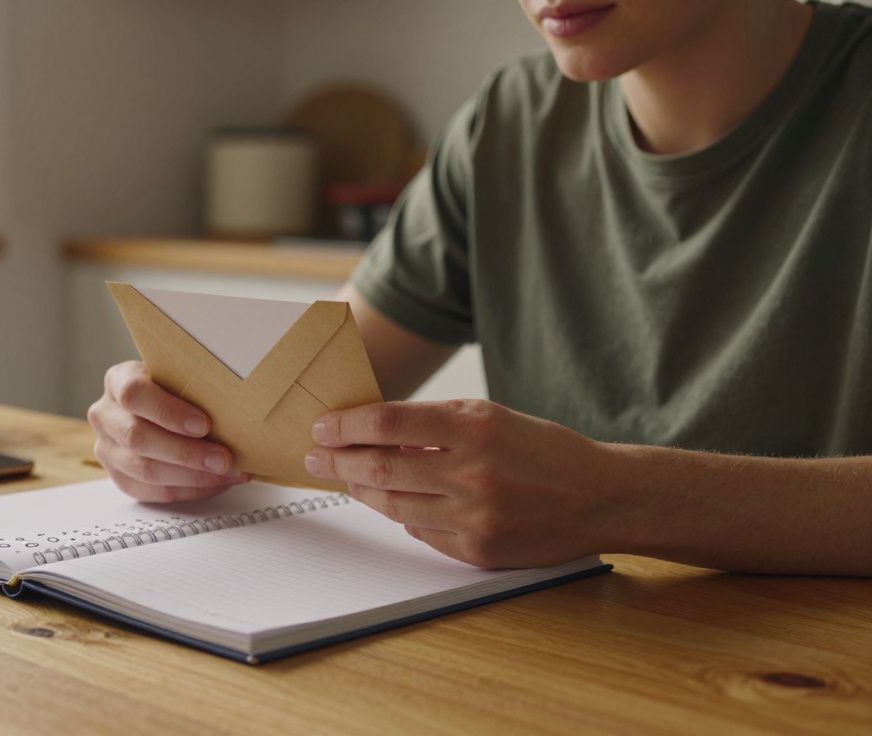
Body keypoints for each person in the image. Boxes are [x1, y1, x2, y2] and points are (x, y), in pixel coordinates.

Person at [87, 0, 872, 575]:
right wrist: (169, 431)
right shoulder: (509, 124)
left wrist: (623, 498)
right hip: (560, 662)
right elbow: (297, 410)